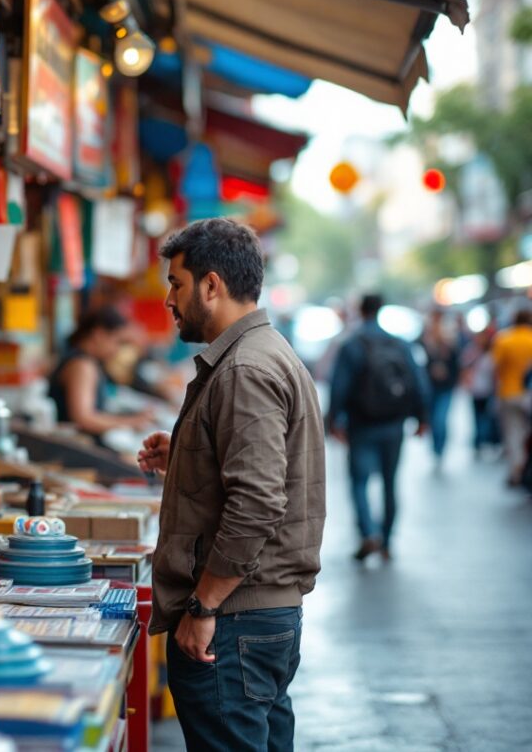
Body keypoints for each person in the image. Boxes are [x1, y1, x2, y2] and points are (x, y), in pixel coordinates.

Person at [136, 218, 325, 752]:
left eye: (176, 283)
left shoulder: (244, 367)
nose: (169, 299)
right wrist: (189, 458)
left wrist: (203, 607)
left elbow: (258, 501)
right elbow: (262, 473)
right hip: (254, 621)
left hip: (234, 622)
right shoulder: (263, 353)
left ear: (211, 285)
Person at [327, 294, 428, 562]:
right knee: (390, 482)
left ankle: (368, 533)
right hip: (394, 424)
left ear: (361, 309)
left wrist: (333, 420)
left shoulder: (351, 345)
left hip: (361, 425)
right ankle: (387, 538)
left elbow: (339, 386)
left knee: (359, 481)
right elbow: (418, 382)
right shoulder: (399, 343)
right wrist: (422, 417)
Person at [48, 305, 154, 440]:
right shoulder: (82, 366)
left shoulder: (85, 361)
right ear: (99, 334)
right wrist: (132, 422)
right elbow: (83, 418)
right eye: (118, 342)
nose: (117, 350)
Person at [491, 309, 532, 485]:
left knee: (513, 434)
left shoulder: (504, 339)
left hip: (509, 392)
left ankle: (517, 470)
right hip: (528, 393)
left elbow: (495, 367)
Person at [418, 309, 460, 469]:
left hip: (445, 386)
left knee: (440, 419)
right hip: (430, 386)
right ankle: (435, 448)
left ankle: (440, 449)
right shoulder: (424, 338)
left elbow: (456, 363)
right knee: (432, 419)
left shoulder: (450, 338)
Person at [461, 326, 500, 458]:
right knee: (477, 417)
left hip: (488, 390)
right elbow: (464, 366)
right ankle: (478, 442)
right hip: (476, 390)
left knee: (487, 417)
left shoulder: (493, 352)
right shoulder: (472, 351)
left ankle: (487, 441)